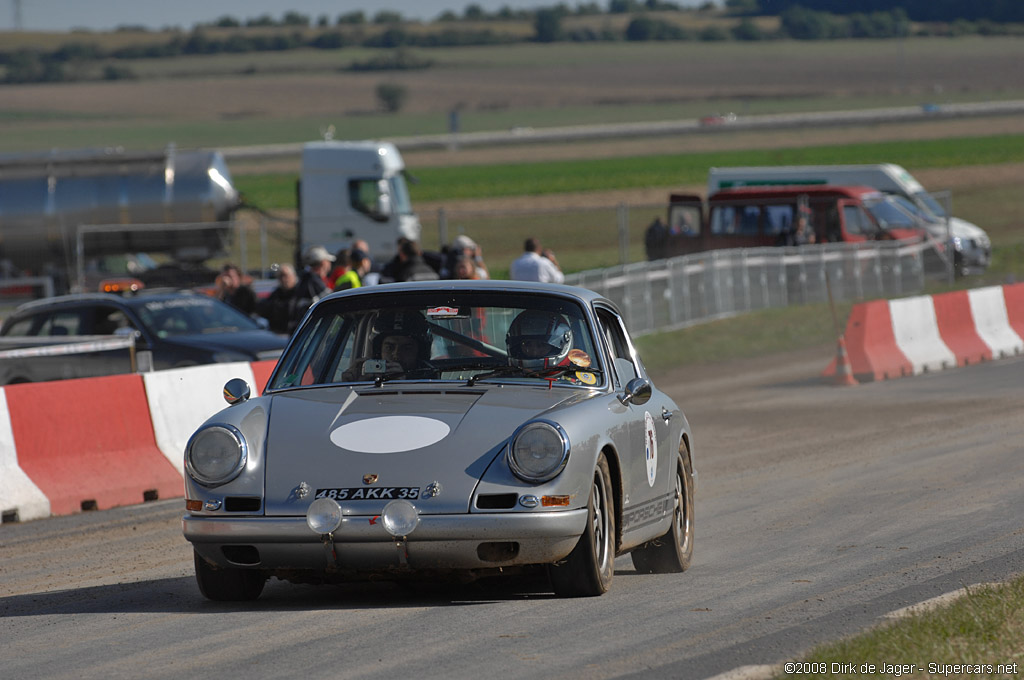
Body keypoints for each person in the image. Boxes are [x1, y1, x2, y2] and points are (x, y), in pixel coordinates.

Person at [343, 311, 433, 380]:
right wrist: (350, 386)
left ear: (420, 352)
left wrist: (406, 383)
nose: (396, 355)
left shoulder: (430, 380)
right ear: (378, 350)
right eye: (389, 347)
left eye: (407, 348)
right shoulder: (365, 376)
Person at [506, 309, 573, 371]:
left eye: (542, 345)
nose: (534, 352)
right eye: (527, 344)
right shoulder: (502, 379)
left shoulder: (576, 382)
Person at [256, 263, 303, 335]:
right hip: (278, 334)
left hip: (297, 333)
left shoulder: (301, 293)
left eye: (286, 275)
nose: (284, 279)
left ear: (293, 276)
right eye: (280, 276)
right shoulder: (276, 295)